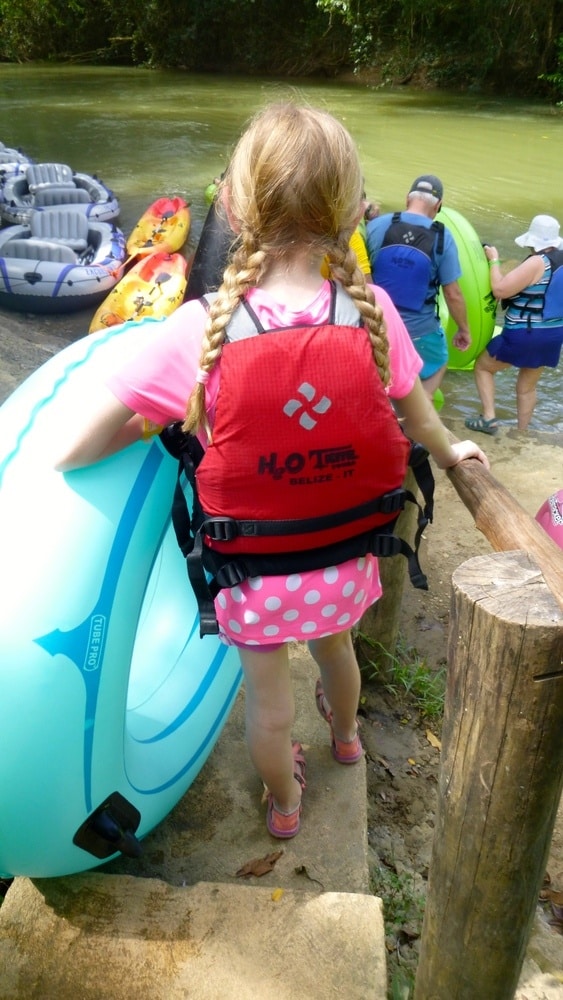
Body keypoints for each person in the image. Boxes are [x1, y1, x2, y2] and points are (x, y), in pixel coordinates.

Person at [55, 103, 488, 840]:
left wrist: (148, 423)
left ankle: (285, 809)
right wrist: (454, 452)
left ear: (229, 202)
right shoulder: (373, 310)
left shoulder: (199, 330)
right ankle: (346, 741)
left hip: (253, 575)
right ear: (354, 210)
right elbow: (419, 421)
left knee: (268, 707)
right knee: (336, 654)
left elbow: (76, 445)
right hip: (346, 560)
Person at [366, 174, 472, 398]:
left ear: (407, 199)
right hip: (420, 331)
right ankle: (419, 410)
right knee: (440, 361)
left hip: (375, 324)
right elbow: (453, 294)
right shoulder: (443, 237)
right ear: (438, 206)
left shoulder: (376, 226)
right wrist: (464, 329)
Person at [465, 215, 563, 434]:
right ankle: (521, 432)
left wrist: (494, 260)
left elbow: (500, 290)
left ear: (532, 240)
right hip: (553, 335)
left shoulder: (537, 262)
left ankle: (489, 419)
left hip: (525, 333)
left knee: (483, 366)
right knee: (527, 387)